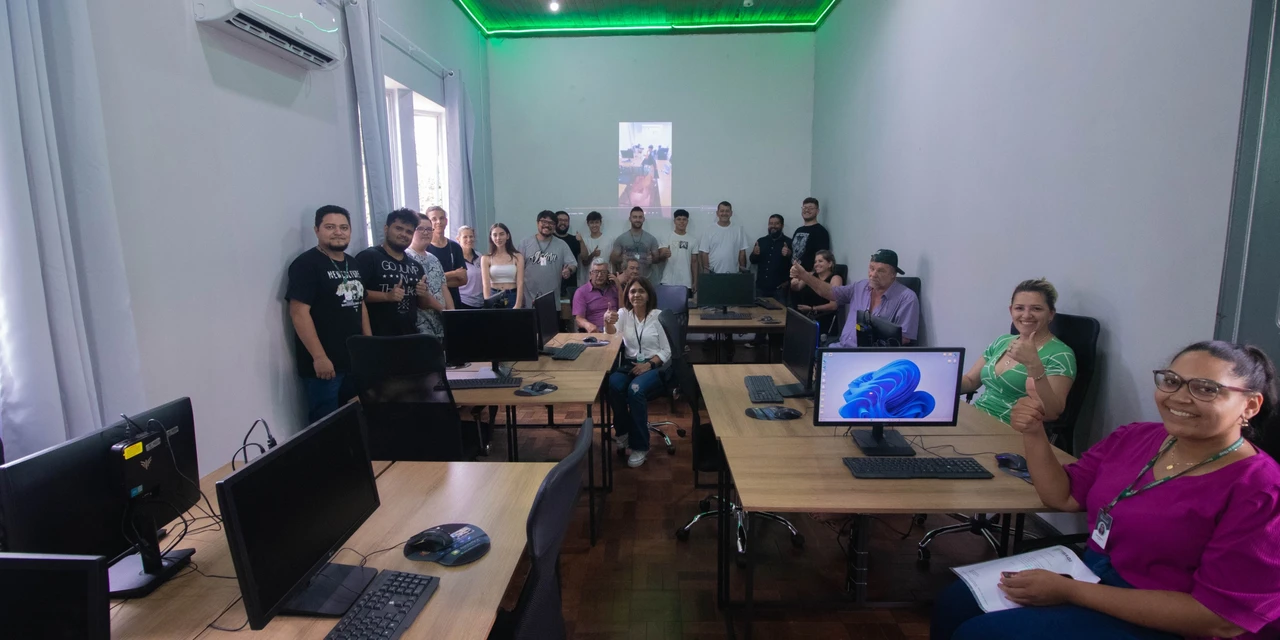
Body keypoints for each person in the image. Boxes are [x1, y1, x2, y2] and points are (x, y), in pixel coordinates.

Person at [932, 341, 1280, 640]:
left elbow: (1219, 618)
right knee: (954, 601)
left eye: (1205, 389)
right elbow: (1063, 497)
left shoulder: (1260, 490)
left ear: (1250, 405)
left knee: (982, 634)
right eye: (1172, 381)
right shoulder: (1136, 437)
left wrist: (1070, 591)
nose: (1179, 397)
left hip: (1170, 618)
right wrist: (1034, 432)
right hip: (1095, 575)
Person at [286, 205, 370, 422]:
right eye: (330, 227)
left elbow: (360, 304)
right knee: (327, 426)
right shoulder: (306, 264)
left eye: (344, 227)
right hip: (325, 367)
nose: (338, 232)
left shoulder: (353, 263)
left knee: (356, 422)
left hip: (354, 360)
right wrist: (319, 357)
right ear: (317, 230)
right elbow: (298, 312)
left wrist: (369, 346)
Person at [958, 279, 1076, 424]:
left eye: (1036, 309)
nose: (1026, 315)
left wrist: (1033, 365)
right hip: (976, 418)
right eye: (1019, 308)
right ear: (1011, 311)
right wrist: (942, 383)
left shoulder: (1060, 354)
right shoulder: (1002, 341)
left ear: (1051, 314)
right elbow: (970, 381)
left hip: (1012, 428)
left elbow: (1052, 412)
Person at [604, 276, 672, 469]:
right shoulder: (623, 314)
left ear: (649, 295)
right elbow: (610, 337)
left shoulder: (659, 316)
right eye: (633, 291)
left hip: (655, 365)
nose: (636, 295)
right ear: (627, 295)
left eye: (641, 291)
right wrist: (607, 322)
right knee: (613, 384)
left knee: (635, 389)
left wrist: (649, 364)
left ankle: (640, 446)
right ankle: (623, 431)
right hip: (630, 364)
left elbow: (667, 350)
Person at [789, 249, 920, 345]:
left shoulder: (907, 298)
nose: (873, 274)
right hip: (840, 349)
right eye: (871, 268)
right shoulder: (861, 286)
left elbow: (904, 338)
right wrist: (804, 275)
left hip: (869, 360)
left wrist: (869, 335)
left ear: (893, 274)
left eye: (881, 271)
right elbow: (830, 292)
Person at [357, 209, 437, 336]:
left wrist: (424, 294)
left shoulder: (416, 266)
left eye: (409, 232)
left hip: (410, 336)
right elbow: (356, 295)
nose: (403, 234)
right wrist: (386, 296)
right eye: (399, 229)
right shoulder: (368, 257)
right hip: (378, 337)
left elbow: (422, 305)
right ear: (386, 229)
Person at [405, 212, 453, 337]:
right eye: (420, 229)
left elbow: (444, 287)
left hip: (442, 321)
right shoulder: (406, 258)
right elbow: (422, 295)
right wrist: (443, 311)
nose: (425, 232)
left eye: (429, 229)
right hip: (421, 324)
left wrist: (452, 314)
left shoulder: (433, 258)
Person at [518, 210, 576, 308]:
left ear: (555, 226)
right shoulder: (525, 243)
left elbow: (573, 264)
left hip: (552, 299)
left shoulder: (561, 244)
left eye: (551, 223)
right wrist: (519, 297)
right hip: (528, 299)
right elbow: (518, 270)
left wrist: (569, 270)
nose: (547, 225)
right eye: (544, 221)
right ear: (537, 223)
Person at [790, 249, 842, 337]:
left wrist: (812, 308)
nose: (816, 264)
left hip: (823, 319)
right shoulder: (811, 275)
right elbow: (797, 288)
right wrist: (793, 284)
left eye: (820, 261)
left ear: (830, 264)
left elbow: (834, 305)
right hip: (806, 317)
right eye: (815, 262)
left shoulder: (835, 278)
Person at [424, 206, 467, 308]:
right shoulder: (424, 247)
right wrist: (454, 273)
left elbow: (463, 279)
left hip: (454, 301)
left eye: (441, 218)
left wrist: (437, 282)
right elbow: (426, 281)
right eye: (434, 219)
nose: (438, 222)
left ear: (446, 221)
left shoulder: (455, 247)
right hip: (432, 303)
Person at [656, 208, 698, 298]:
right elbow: (661, 256)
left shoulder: (693, 240)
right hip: (668, 282)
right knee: (667, 306)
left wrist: (695, 281)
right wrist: (664, 254)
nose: (681, 222)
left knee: (686, 307)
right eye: (679, 219)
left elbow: (694, 262)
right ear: (674, 221)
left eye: (684, 219)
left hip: (686, 283)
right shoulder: (666, 237)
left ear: (687, 221)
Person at [699, 201, 750, 274]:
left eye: (727, 211)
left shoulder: (739, 230)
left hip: (733, 274)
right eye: (722, 211)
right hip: (713, 274)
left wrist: (743, 272)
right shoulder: (709, 230)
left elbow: (742, 253)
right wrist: (707, 273)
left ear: (731, 213)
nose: (724, 213)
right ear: (717, 213)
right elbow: (704, 253)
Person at [749, 214, 793, 299]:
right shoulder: (761, 241)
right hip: (761, 288)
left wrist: (789, 254)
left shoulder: (789, 242)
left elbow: (795, 264)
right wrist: (754, 253)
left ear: (782, 225)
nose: (773, 226)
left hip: (780, 289)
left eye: (776, 223)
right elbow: (752, 261)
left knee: (780, 308)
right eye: (771, 223)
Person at [481, 222, 524, 308]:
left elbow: (520, 282)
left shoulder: (518, 257)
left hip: (512, 295)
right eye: (495, 235)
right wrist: (488, 304)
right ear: (491, 237)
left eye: (501, 234)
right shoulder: (486, 258)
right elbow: (486, 284)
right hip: (494, 295)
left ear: (507, 236)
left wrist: (518, 304)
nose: (498, 238)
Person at [572, 258, 619, 333]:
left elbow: (623, 310)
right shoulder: (581, 292)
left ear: (608, 274)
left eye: (603, 272)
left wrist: (618, 285)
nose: (599, 275)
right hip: (596, 331)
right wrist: (587, 325)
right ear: (590, 274)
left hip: (616, 330)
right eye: (596, 272)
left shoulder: (614, 289)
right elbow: (579, 319)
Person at [611, 206, 659, 278]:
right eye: (635, 217)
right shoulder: (621, 239)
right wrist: (621, 258)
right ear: (630, 219)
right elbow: (613, 259)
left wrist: (652, 259)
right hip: (626, 279)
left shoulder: (651, 239)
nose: (637, 220)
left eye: (640, 217)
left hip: (646, 279)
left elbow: (657, 259)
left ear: (643, 219)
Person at [790, 197, 830, 272]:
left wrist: (811, 275)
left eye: (811, 208)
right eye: (804, 208)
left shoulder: (821, 231)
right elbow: (794, 252)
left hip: (808, 276)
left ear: (817, 211)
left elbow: (822, 258)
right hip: (794, 274)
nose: (806, 210)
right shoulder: (798, 230)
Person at [555, 211, 582, 299]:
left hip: (570, 286)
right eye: (560, 220)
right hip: (551, 285)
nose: (563, 222)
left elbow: (584, 259)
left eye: (566, 220)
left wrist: (581, 241)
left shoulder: (574, 239)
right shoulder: (549, 240)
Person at [456, 226, 484, 309]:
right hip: (463, 302)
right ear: (458, 239)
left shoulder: (480, 256)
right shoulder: (455, 258)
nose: (469, 239)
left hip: (480, 302)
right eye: (465, 237)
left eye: (471, 236)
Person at [578, 211, 606, 287]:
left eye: (596, 222)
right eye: (591, 223)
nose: (594, 225)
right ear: (588, 224)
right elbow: (584, 262)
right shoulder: (584, 241)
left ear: (600, 223)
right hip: (588, 280)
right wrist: (593, 254)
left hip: (605, 280)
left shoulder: (610, 240)